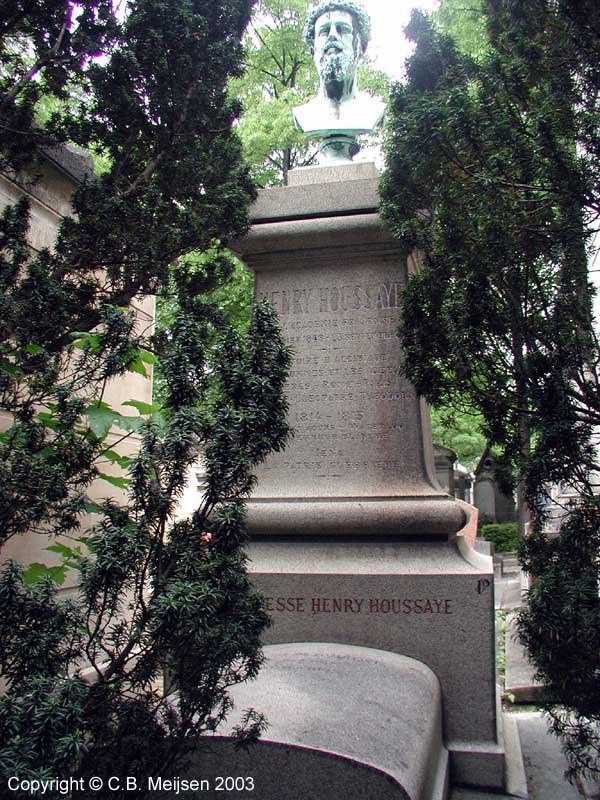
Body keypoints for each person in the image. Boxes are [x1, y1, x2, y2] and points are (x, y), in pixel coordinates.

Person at [293, 1, 385, 160]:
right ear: (312, 49)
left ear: (359, 46)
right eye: (324, 31)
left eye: (342, 29)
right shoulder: (303, 115)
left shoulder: (374, 110)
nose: (332, 35)